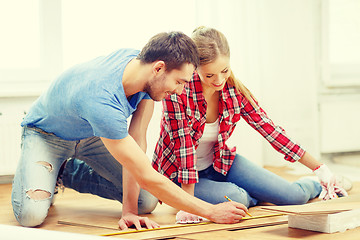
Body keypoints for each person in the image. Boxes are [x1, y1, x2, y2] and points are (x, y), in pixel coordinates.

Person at [11, 31, 249, 230]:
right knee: (31, 216)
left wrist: (129, 212)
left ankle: (66, 171)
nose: (179, 92)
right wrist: (211, 211)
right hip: (46, 134)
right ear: (159, 68)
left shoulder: (143, 70)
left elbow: (137, 141)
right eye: (179, 82)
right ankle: (46, 169)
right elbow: (146, 175)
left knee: (145, 201)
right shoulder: (101, 98)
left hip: (93, 132)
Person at [152, 27, 350, 223]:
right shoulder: (178, 90)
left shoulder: (233, 90)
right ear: (195, 67)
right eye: (210, 75)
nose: (219, 80)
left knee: (293, 197)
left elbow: (269, 129)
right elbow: (184, 147)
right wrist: (189, 203)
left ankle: (319, 184)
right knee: (238, 199)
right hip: (179, 175)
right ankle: (244, 195)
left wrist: (320, 168)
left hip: (219, 163)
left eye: (224, 71)